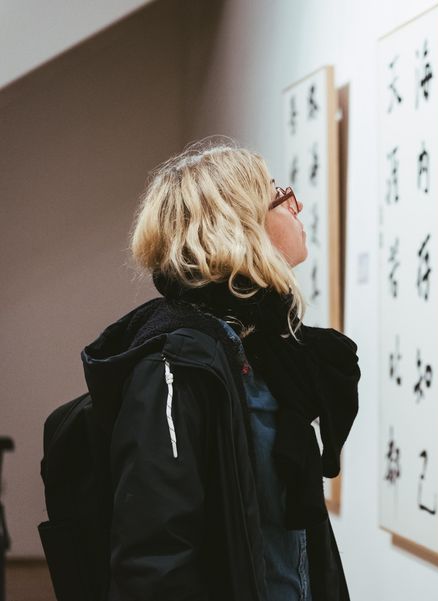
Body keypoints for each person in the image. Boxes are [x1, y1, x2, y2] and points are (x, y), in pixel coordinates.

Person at [80, 138, 360, 601]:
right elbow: (154, 558)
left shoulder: (268, 349)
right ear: (239, 224)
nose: (297, 206)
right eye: (280, 196)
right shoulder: (176, 363)